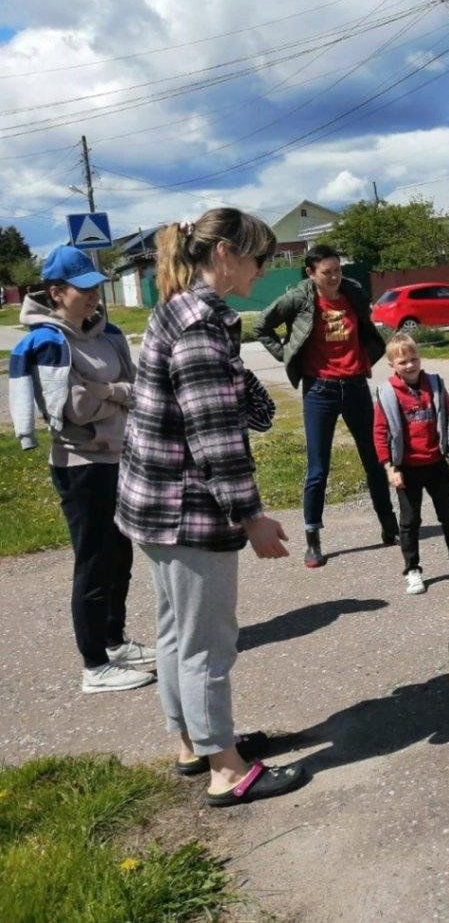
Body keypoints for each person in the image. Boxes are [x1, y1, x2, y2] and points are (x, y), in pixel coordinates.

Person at [117, 209, 305, 807]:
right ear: (223, 253)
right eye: (258, 257)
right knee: (208, 642)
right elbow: (215, 439)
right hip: (186, 508)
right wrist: (251, 518)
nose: (264, 268)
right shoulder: (199, 322)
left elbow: (230, 407)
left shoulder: (180, 308)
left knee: (177, 634)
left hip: (154, 506)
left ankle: (192, 742)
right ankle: (225, 768)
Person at [8, 247, 152, 693]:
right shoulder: (52, 342)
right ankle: (94, 666)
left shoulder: (105, 334)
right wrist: (116, 393)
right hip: (81, 466)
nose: (94, 297)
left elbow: (138, 386)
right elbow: (74, 408)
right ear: (56, 292)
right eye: (83, 289)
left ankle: (113, 641)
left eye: (96, 288)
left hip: (118, 457)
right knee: (93, 562)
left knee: (121, 556)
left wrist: (106, 390)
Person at [255, 244, 397, 567]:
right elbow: (261, 326)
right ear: (311, 273)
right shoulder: (299, 297)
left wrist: (365, 358)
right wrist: (286, 354)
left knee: (374, 459)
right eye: (326, 272)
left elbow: (367, 327)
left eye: (337, 270)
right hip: (319, 390)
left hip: (356, 385)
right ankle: (312, 541)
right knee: (318, 468)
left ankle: (390, 526)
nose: (334, 277)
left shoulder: (353, 292)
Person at [372, 333, 449, 596]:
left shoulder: (435, 386)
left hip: (436, 462)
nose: (409, 365)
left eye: (413, 358)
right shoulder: (387, 393)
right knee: (410, 520)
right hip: (406, 468)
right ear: (392, 365)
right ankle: (413, 569)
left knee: (448, 515)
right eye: (402, 361)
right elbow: (380, 432)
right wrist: (389, 468)